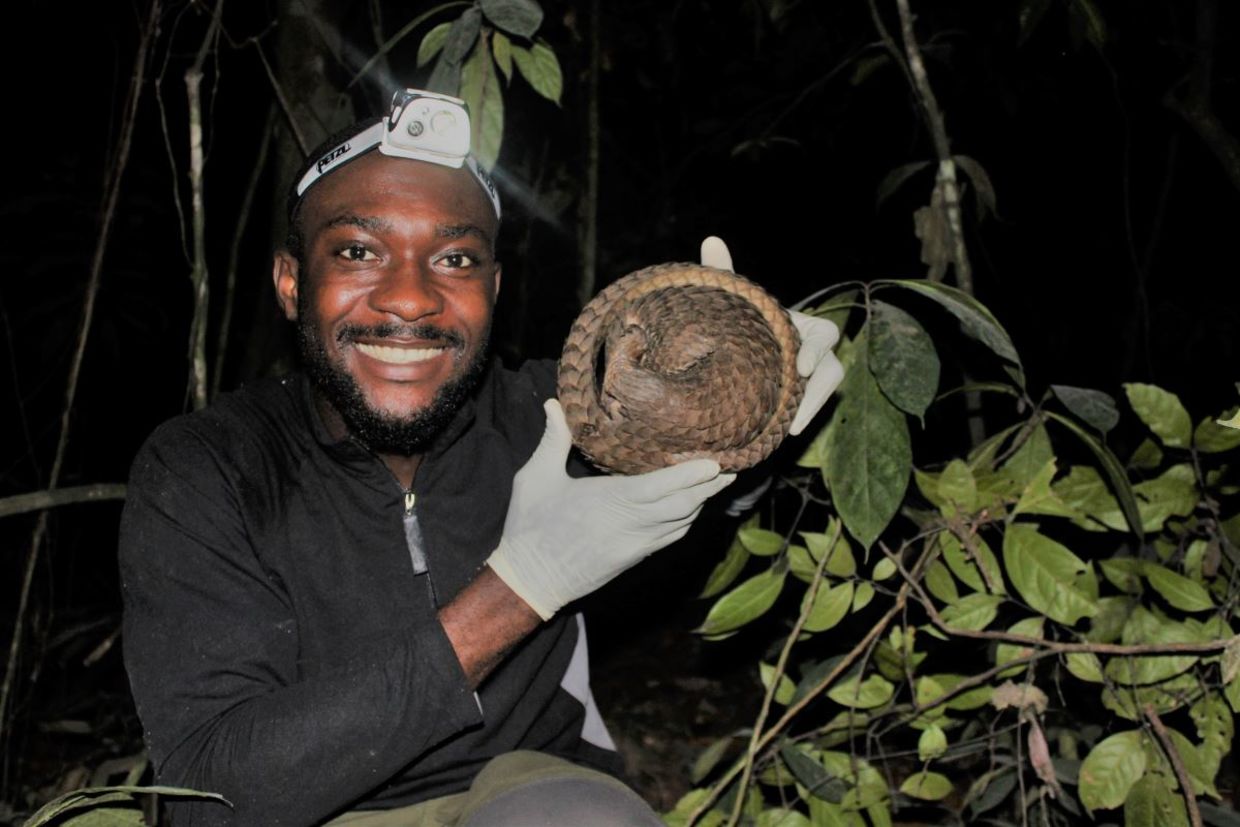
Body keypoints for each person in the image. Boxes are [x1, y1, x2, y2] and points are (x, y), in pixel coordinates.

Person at [119, 90, 844, 827]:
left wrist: (750, 414)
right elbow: (207, 800)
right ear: (291, 282)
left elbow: (678, 460)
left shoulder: (553, 417)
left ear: (493, 288)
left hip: (524, 787)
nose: (410, 299)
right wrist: (522, 587)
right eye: (359, 251)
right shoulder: (210, 468)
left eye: (455, 258)